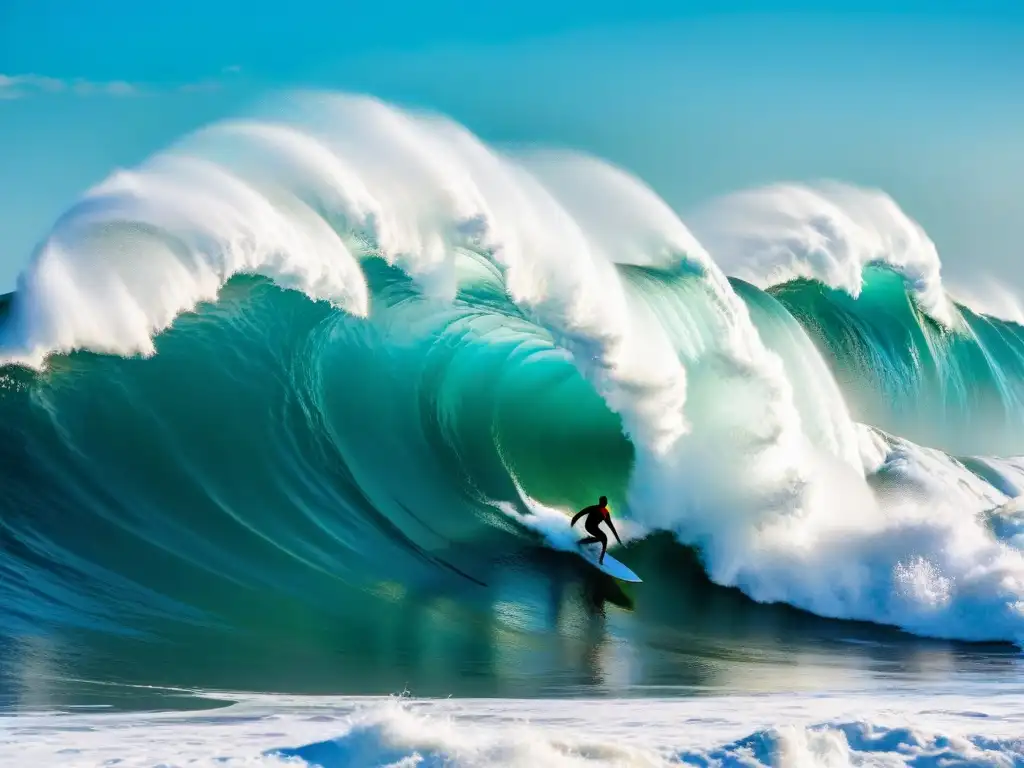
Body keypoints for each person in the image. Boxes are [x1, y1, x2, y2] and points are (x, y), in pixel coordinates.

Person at [570, 495, 621, 565]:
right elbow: (579, 514)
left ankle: (599, 559)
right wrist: (571, 525)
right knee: (603, 537)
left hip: (595, 527)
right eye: (603, 502)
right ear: (600, 502)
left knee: (603, 538)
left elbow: (611, 526)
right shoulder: (593, 508)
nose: (604, 503)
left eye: (605, 502)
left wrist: (617, 538)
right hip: (588, 526)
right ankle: (581, 542)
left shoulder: (605, 513)